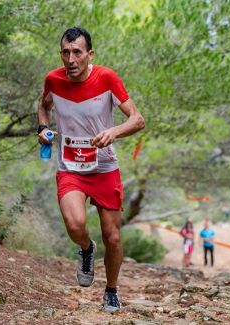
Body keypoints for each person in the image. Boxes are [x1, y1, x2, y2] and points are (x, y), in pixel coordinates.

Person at [37, 27, 145, 313]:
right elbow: (43, 107)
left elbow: (137, 120)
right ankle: (86, 249)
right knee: (75, 224)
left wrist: (114, 132)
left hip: (104, 166)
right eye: (65, 52)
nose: (70, 59)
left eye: (77, 53)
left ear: (89, 55)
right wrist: (43, 129)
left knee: (113, 236)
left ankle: (111, 290)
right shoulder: (53, 79)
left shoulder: (107, 78)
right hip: (70, 167)